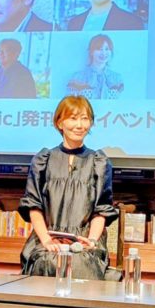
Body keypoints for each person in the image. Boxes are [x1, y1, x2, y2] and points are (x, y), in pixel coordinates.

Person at [19, 95, 117, 279]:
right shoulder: (43, 160)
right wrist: (47, 240)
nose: (79, 125)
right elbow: (33, 206)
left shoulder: (99, 162)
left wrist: (91, 241)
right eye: (73, 118)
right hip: (47, 239)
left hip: (84, 242)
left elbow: (101, 211)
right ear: (59, 123)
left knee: (80, 264)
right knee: (46, 262)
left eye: (85, 118)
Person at [66, 34, 124, 99]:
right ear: (91, 52)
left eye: (107, 49)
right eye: (99, 49)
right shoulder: (78, 77)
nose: (103, 53)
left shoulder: (117, 78)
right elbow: (71, 102)